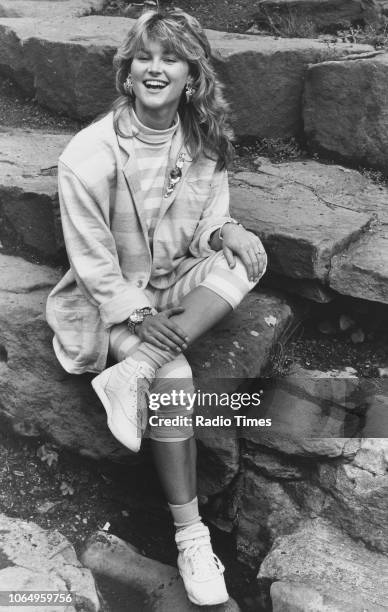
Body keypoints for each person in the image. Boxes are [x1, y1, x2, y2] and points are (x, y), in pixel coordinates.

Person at [46, 8, 267, 607]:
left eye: (170, 58)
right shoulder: (86, 156)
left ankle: (133, 372)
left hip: (171, 282)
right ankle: (191, 535)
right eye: (144, 56)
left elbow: (209, 225)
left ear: (191, 74)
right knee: (176, 373)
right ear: (127, 72)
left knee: (249, 259)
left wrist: (229, 234)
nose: (155, 68)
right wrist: (140, 318)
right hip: (109, 302)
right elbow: (93, 265)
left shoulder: (203, 141)